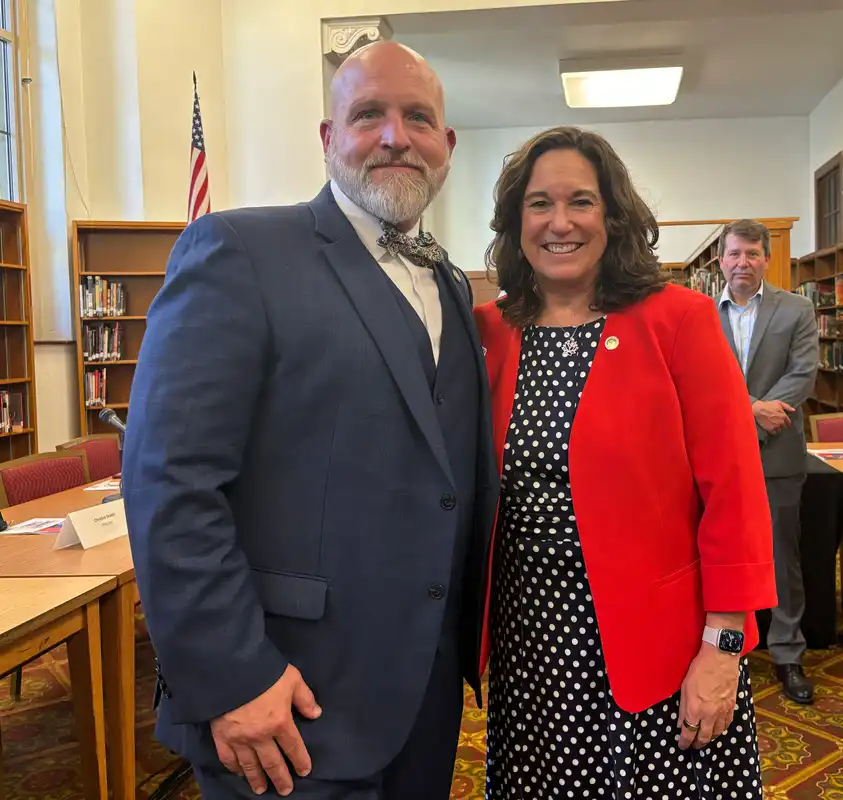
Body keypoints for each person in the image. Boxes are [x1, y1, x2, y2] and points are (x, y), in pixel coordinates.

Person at [122, 40, 498, 800]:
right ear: (328, 139)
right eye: (368, 115)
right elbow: (171, 481)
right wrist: (231, 676)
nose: (395, 135)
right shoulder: (239, 252)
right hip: (280, 703)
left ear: (446, 145)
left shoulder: (453, 286)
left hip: (423, 697)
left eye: (417, 117)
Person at [473, 125, 777, 799]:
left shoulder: (680, 320)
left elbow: (734, 495)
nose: (560, 222)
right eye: (539, 204)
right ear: (513, 221)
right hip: (531, 654)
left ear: (612, 218)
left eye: (580, 202)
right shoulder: (488, 332)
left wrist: (723, 650)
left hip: (662, 656)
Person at [717, 218, 819, 704]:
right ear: (721, 259)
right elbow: (692, 382)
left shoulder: (797, 309)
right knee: (715, 554)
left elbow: (802, 375)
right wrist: (751, 409)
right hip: (713, 458)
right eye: (735, 254)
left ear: (767, 258)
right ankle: (719, 649)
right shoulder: (696, 313)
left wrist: (753, 418)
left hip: (777, 455)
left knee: (783, 558)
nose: (743, 263)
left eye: (753, 253)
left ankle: (787, 652)